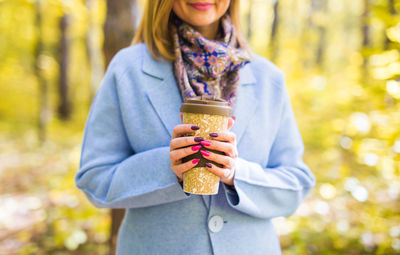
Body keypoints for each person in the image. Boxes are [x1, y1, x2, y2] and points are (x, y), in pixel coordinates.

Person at [75, 0, 316, 254]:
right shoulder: (128, 69)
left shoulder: (268, 77)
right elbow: (94, 179)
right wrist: (168, 168)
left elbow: (296, 184)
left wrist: (237, 174)